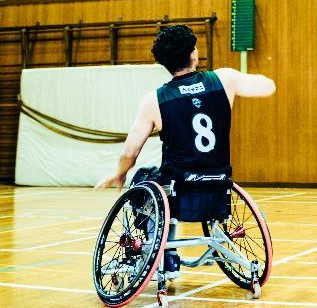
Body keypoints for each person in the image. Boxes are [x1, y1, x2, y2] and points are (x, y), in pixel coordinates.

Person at [95, 24, 275, 276]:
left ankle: (164, 253)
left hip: (178, 191)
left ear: (164, 63)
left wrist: (120, 173)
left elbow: (130, 152)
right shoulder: (224, 80)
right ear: (193, 54)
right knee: (166, 180)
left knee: (142, 178)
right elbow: (268, 87)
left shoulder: (154, 100)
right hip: (219, 184)